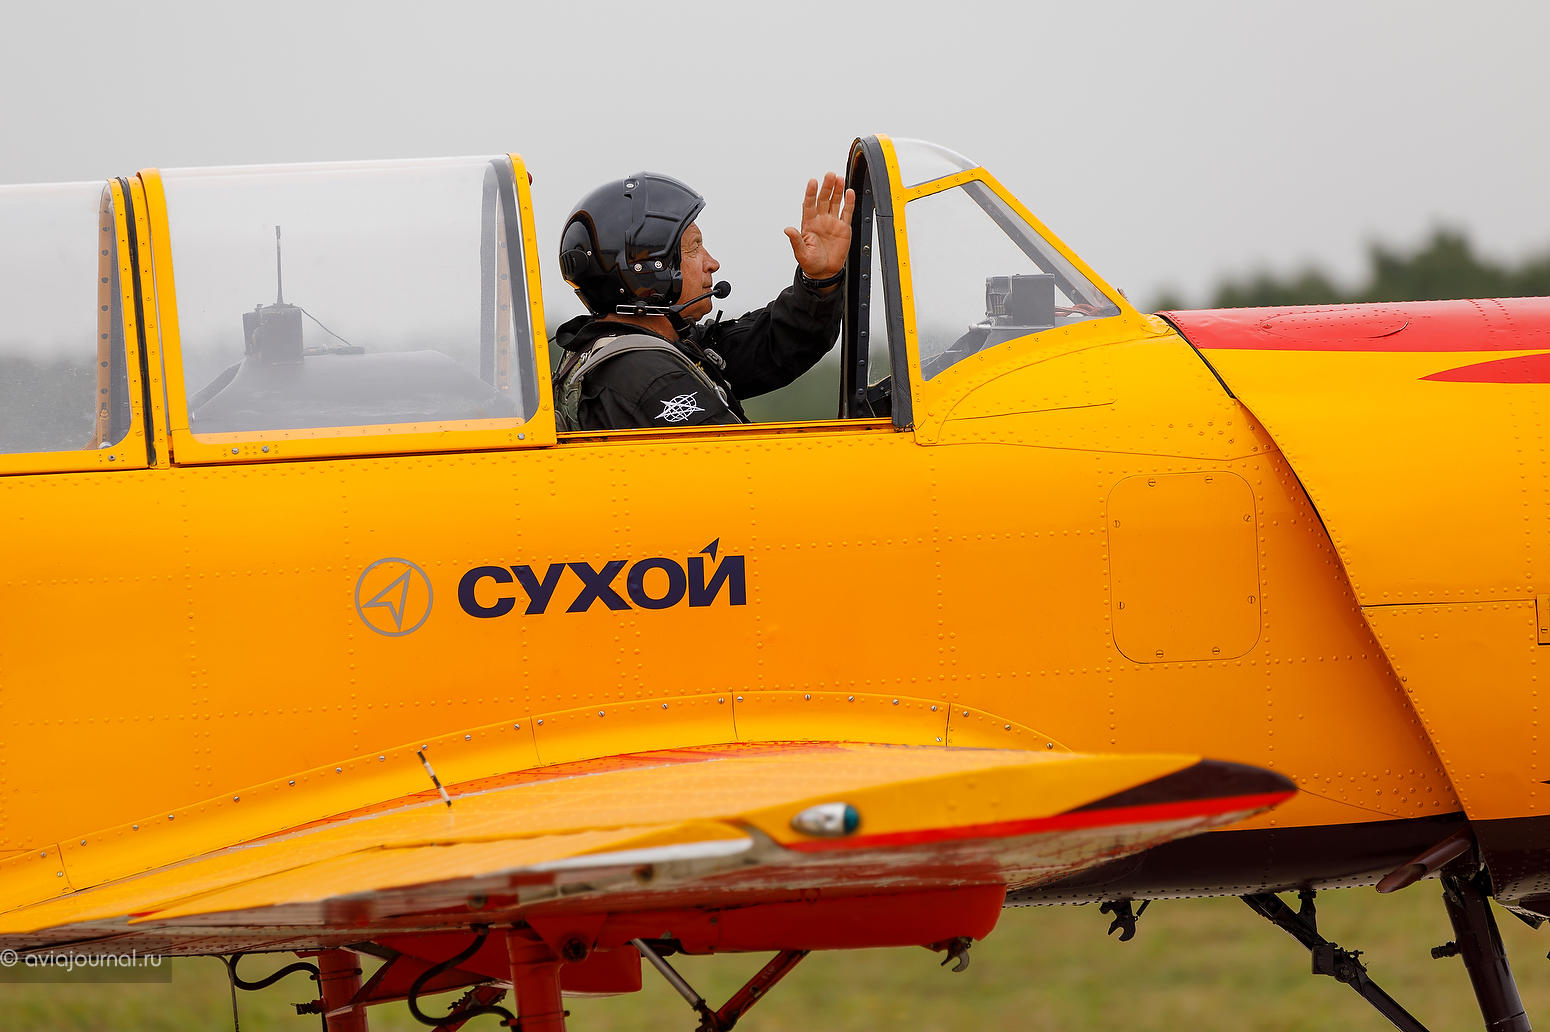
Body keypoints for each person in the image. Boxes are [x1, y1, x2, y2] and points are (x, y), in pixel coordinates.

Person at [552, 171, 854, 430]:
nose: (712, 263)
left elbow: (779, 343)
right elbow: (742, 468)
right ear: (648, 269)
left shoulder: (647, 349)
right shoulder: (650, 376)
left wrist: (820, 280)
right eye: (695, 248)